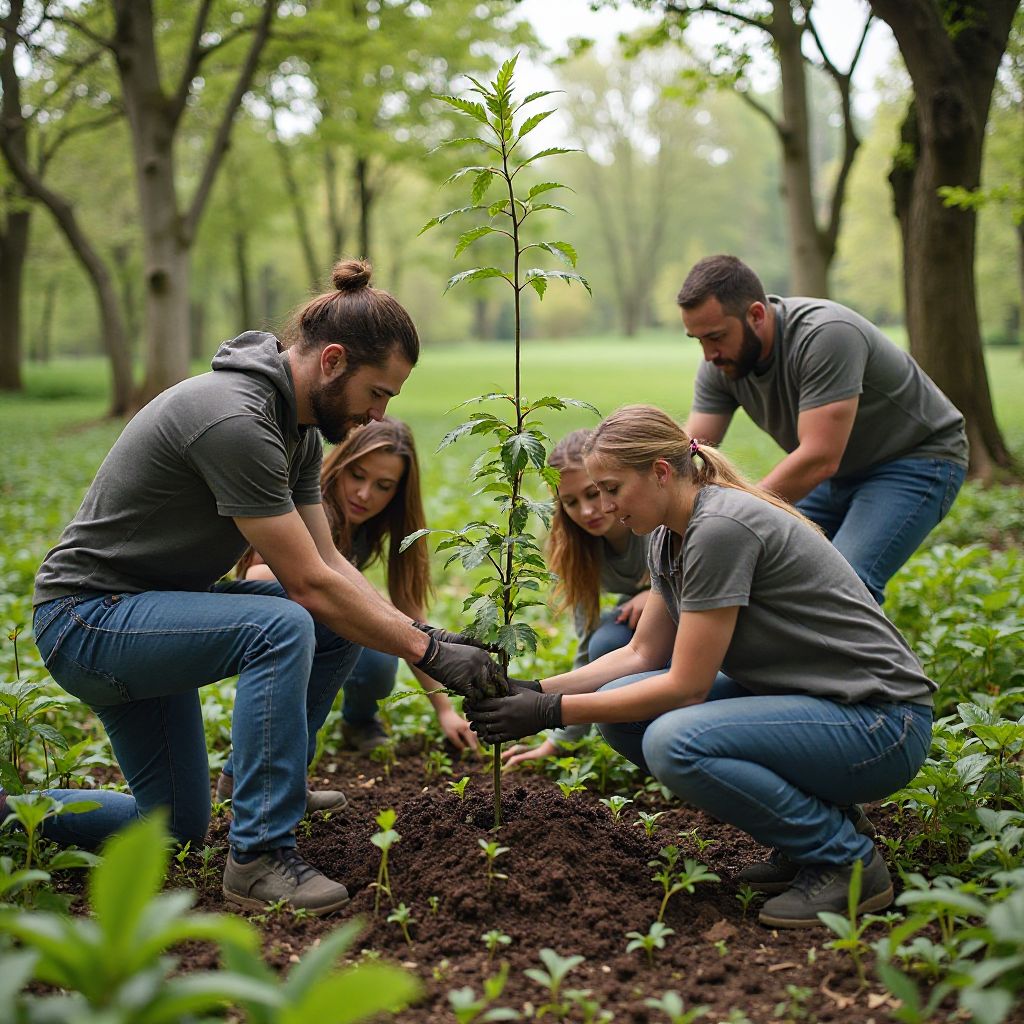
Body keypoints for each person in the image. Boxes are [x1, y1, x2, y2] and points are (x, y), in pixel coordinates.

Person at [27, 259, 504, 916]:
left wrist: (428, 637)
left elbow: (331, 563)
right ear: (332, 361)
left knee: (173, 831)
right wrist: (428, 654)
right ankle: (257, 856)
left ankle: (16, 812)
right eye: (379, 392)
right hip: (86, 622)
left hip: (142, 616)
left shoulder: (296, 431)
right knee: (283, 621)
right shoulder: (235, 419)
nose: (377, 414)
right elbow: (305, 582)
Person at [468, 405, 936, 928]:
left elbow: (686, 686)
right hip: (826, 708)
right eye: (595, 491)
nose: (604, 505)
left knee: (675, 742)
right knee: (624, 717)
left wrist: (551, 712)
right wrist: (530, 688)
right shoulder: (671, 535)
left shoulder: (720, 527)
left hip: (881, 724)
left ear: (661, 472)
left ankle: (844, 861)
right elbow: (639, 655)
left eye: (612, 488)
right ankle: (822, 833)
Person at [677, 254, 968, 603]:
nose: (709, 354)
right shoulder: (722, 362)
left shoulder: (826, 335)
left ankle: (875, 659)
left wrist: (735, 512)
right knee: (761, 565)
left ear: (756, 315)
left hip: (915, 460)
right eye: (698, 340)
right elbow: (690, 452)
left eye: (716, 337)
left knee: (843, 584)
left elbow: (818, 458)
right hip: (837, 473)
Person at [225, 416, 477, 774]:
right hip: (276, 633)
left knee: (380, 654)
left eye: (383, 485)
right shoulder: (312, 508)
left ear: (397, 492)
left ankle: (358, 722)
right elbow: (256, 574)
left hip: (324, 633)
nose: (364, 494)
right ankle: (271, 768)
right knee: (352, 622)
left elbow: (411, 615)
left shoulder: (380, 525)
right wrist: (341, 588)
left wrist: (444, 708)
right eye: (357, 476)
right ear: (339, 464)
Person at [501, 429, 651, 768]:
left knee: (612, 641)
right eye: (570, 502)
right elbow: (586, 647)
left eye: (593, 493)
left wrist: (655, 593)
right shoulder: (580, 551)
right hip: (652, 624)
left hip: (696, 620)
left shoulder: (649, 524)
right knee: (603, 643)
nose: (586, 511)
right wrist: (560, 741)